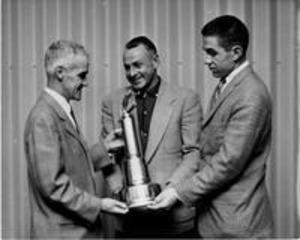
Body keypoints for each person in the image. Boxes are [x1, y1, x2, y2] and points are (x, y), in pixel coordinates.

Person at [149, 15, 274, 238]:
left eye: (212, 52)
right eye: (205, 52)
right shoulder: (228, 86)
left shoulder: (251, 95)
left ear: (236, 52)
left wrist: (178, 192)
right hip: (214, 219)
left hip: (236, 223)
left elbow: (228, 163)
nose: (206, 60)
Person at [100, 36, 203, 238]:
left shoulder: (186, 99)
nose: (132, 73)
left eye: (138, 65)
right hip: (129, 221)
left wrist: (171, 191)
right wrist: (120, 191)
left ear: (155, 61)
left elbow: (193, 153)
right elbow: (106, 157)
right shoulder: (111, 101)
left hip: (174, 219)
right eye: (127, 67)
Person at [24, 40, 128, 239]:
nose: (86, 82)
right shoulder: (43, 118)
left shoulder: (60, 110)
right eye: (82, 75)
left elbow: (68, 165)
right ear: (60, 73)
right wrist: (100, 204)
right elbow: (53, 186)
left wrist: (104, 149)